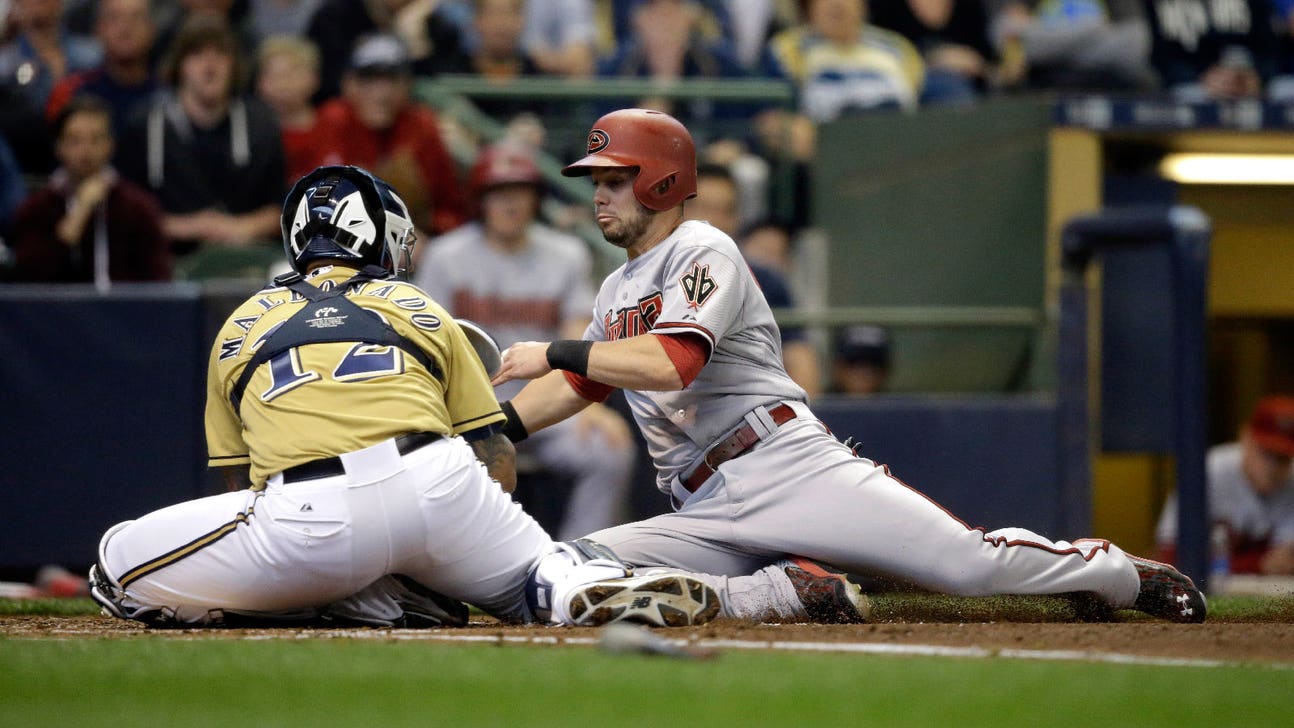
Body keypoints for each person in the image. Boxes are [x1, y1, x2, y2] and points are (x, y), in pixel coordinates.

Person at [489, 107, 1209, 625]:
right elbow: (587, 382)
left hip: (783, 465)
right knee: (571, 567)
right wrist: (493, 428)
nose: (598, 194)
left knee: (965, 567)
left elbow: (674, 361)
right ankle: (783, 593)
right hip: (699, 505)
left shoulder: (705, 249)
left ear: (659, 181)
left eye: (615, 178)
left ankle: (1113, 572)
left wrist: (553, 347)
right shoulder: (617, 288)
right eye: (597, 180)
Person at [86, 164, 721, 630]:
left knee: (115, 566)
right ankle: (568, 585)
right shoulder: (419, 305)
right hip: (438, 482)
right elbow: (493, 455)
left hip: (308, 513)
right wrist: (455, 544)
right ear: (377, 237)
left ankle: (361, 599)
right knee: (535, 573)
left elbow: (236, 486)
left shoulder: (240, 322)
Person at [414, 142, 638, 540]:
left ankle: (581, 556)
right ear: (481, 199)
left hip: (547, 399)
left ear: (536, 199)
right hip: (471, 404)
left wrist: (586, 402)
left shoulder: (566, 253)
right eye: (499, 193)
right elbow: (430, 342)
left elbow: (578, 332)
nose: (510, 203)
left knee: (609, 449)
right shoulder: (447, 256)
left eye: (519, 192)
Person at [114, 14, 286, 255]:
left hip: (244, 259)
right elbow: (123, 213)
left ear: (234, 65)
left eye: (221, 54)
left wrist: (241, 227)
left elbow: (279, 207)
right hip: (167, 260)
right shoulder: (145, 125)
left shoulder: (260, 125)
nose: (210, 66)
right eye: (197, 55)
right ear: (179, 65)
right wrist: (192, 226)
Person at [314, 32, 470, 240]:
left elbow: (452, 209)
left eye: (391, 80)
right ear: (348, 84)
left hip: (414, 250)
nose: (381, 93)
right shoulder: (333, 120)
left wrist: (425, 235)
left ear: (407, 85)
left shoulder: (421, 125)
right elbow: (314, 205)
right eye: (369, 80)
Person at [686, 162, 822, 397]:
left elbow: (799, 357)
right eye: (704, 208)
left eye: (725, 211)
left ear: (737, 219)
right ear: (679, 211)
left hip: (747, 410)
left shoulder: (765, 280)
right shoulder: (650, 274)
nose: (713, 220)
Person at [10, 95, 170, 283]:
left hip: (123, 310)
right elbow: (28, 279)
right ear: (59, 147)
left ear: (110, 145)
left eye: (95, 140)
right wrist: (78, 215)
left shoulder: (138, 207)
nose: (85, 150)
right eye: (75, 140)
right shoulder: (37, 209)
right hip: (57, 310)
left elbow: (158, 281)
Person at [1156, 395, 1294, 575]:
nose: (1272, 467)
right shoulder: (1207, 471)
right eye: (1266, 453)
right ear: (1246, 438)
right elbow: (1169, 557)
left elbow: (1284, 562)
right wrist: (1256, 564)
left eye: (1282, 459)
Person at [44, 0, 161, 138]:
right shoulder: (70, 92)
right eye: (114, 18)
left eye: (136, 17)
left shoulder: (169, 94)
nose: (125, 28)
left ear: (152, 29)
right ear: (98, 29)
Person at [255, 35, 338, 185]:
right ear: (259, 83)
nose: (281, 84)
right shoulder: (253, 136)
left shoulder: (336, 121)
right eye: (272, 75)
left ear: (314, 78)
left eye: (290, 73)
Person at [831, 323, 890, 395]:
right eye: (855, 363)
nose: (865, 374)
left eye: (873, 363)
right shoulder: (819, 403)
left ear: (885, 372)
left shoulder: (899, 403)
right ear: (838, 368)